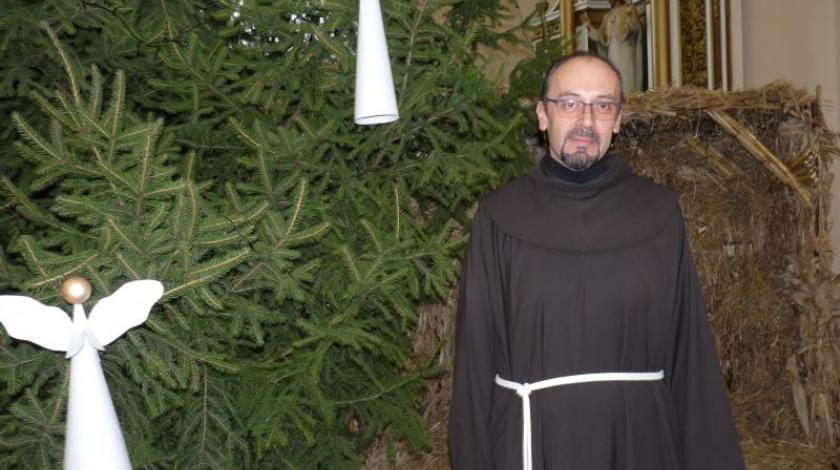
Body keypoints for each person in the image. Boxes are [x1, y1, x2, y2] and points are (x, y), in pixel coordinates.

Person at [448, 52, 745, 470]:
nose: (586, 120)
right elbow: (475, 364)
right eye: (570, 103)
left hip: (639, 443)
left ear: (618, 120)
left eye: (603, 105)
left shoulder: (658, 213)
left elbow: (690, 356)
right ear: (543, 115)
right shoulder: (500, 217)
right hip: (533, 441)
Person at [586, 0, 645, 94]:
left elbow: (636, 29)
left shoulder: (628, 9)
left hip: (626, 51)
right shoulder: (607, 16)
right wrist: (590, 28)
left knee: (626, 79)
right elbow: (601, 38)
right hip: (612, 52)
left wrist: (630, 18)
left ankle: (628, 98)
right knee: (614, 76)